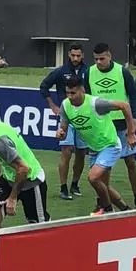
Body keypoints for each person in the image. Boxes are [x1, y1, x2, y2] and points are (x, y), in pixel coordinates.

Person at [56, 78, 136, 215]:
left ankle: (107, 209)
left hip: (110, 145)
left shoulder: (96, 104)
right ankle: (126, 210)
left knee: (93, 178)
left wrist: (130, 134)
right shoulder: (65, 105)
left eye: (73, 93)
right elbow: (63, 127)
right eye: (67, 93)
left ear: (82, 90)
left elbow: (124, 106)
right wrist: (60, 133)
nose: (70, 96)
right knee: (104, 186)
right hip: (94, 149)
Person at [86, 42, 136, 209]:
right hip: (102, 125)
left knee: (130, 161)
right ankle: (103, 202)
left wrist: (133, 123)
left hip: (122, 123)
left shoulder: (122, 71)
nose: (98, 62)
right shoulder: (89, 72)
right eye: (95, 59)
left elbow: (134, 96)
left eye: (101, 58)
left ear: (109, 56)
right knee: (104, 168)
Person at [39, 43, 88, 200]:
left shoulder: (88, 71)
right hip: (66, 116)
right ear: (69, 54)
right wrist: (53, 105)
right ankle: (63, 187)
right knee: (66, 151)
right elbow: (44, 86)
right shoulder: (61, 71)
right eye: (73, 55)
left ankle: (74, 184)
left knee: (81, 153)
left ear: (83, 56)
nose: (75, 58)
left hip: (85, 117)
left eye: (78, 56)